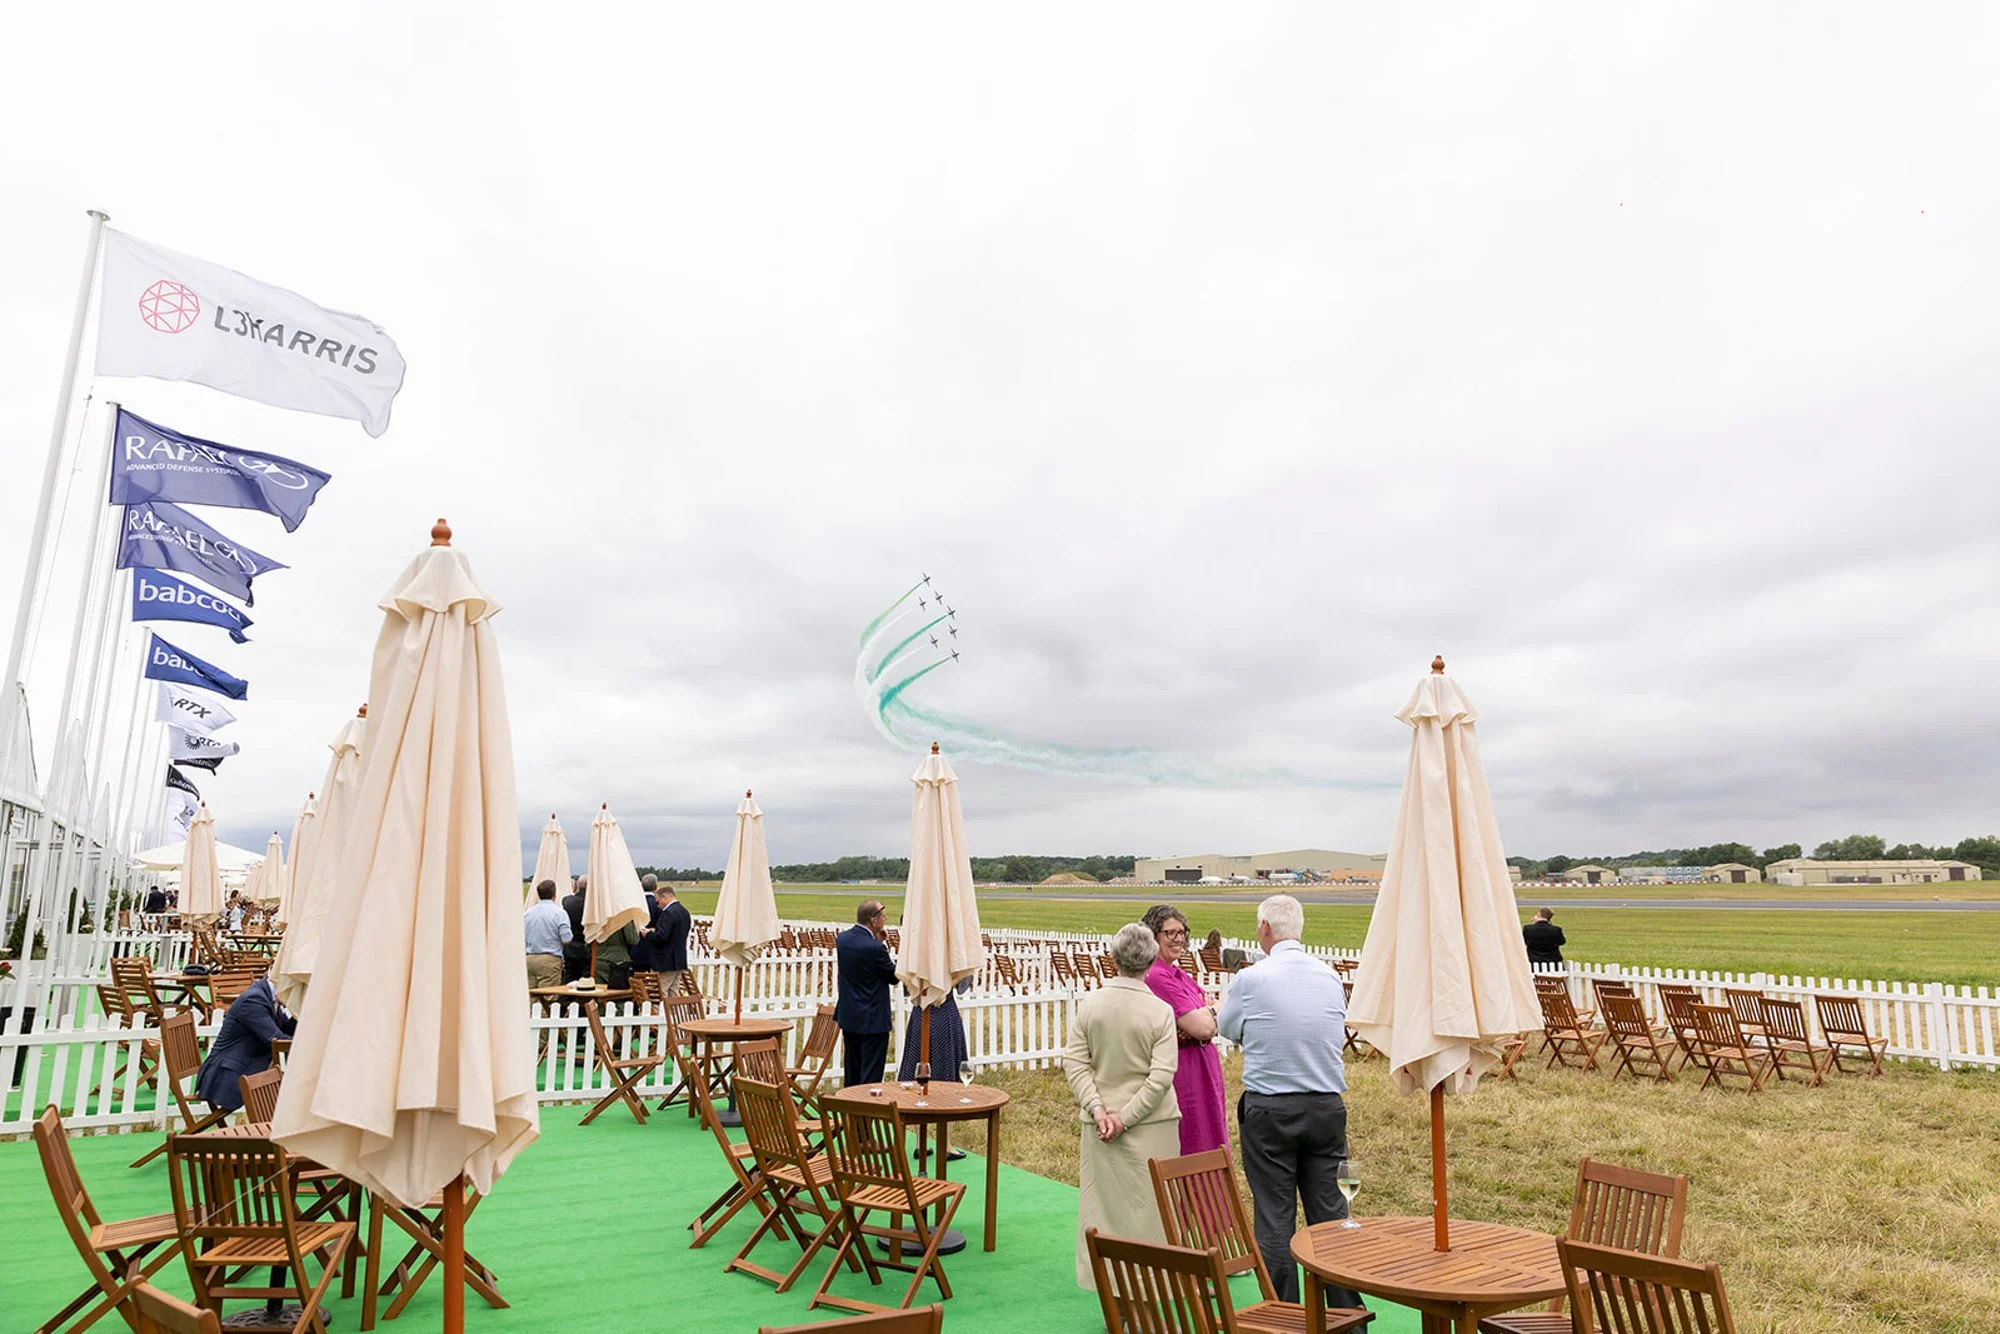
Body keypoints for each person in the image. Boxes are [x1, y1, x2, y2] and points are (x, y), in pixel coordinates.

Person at [1216, 894, 1365, 1310]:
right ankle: (1346, 1316)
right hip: (1326, 1106)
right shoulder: (1329, 975)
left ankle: (1284, 1314)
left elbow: (1227, 1029)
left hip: (1271, 1108)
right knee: (1332, 1217)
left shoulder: (1252, 978)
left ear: (1265, 928)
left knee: (1274, 1217)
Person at [1062, 923, 1180, 1288]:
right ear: (1150, 959)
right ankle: (1151, 1295)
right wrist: (1124, 1118)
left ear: (1114, 958)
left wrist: (1099, 1110)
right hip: (1150, 1125)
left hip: (1100, 1126)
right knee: (1152, 1216)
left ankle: (1113, 1295)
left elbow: (1076, 1063)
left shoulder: (1090, 1004)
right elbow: (1160, 1078)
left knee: (1103, 1213)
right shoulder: (1160, 1011)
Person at [1140, 904, 1228, 1154]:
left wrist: (1207, 1012)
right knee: (1194, 1135)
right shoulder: (1157, 976)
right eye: (1170, 933)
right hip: (1184, 1066)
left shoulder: (1178, 973)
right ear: (1153, 935)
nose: (1179, 939)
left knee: (1212, 1130)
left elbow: (1218, 1008)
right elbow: (1201, 1027)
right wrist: (1208, 1012)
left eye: (1182, 932)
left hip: (1203, 1062)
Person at [193, 972, 297, 1112]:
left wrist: (301, 1012)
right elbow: (276, 1040)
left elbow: (285, 1028)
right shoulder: (253, 1000)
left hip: (249, 1071)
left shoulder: (269, 996)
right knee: (290, 1097)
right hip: (227, 1077)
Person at [835, 900, 898, 1089]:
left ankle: (850, 1114)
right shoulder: (876, 949)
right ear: (874, 920)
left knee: (852, 1071)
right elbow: (892, 977)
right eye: (883, 917)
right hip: (872, 1018)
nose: (885, 920)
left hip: (850, 1014)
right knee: (870, 1073)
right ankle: (865, 1115)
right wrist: (880, 944)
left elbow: (864, 965)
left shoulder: (843, 939)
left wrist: (877, 941)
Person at [638, 877, 692, 994]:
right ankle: (672, 1013)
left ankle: (661, 1013)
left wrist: (648, 934)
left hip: (665, 961)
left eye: (658, 901)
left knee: (659, 993)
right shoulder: (684, 911)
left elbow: (661, 937)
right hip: (678, 960)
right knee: (673, 992)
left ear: (664, 897)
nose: (658, 905)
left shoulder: (668, 913)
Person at [522, 879, 571, 991]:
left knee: (531, 997)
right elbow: (566, 939)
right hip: (549, 959)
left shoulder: (528, 913)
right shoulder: (559, 913)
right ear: (554, 894)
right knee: (548, 997)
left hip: (529, 958)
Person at [560, 875, 590, 983]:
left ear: (577, 886)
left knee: (568, 980)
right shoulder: (592, 905)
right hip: (586, 948)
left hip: (570, 948)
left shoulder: (567, 901)